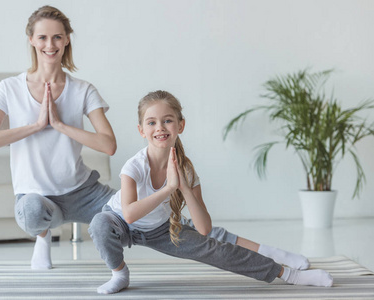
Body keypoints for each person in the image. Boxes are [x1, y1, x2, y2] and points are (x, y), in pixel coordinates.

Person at [88, 90, 334, 294]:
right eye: (151, 122)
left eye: (167, 120)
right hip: (120, 221)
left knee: (218, 249)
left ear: (180, 125)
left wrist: (183, 185)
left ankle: (288, 274)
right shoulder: (133, 166)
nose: (160, 127)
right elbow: (129, 215)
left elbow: (205, 229)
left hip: (160, 230)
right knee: (99, 223)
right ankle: (119, 274)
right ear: (142, 130)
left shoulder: (186, 170)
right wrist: (169, 189)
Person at [0, 5, 117, 270]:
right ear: (31, 39)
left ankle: (206, 238)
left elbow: (108, 145)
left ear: (66, 39)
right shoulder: (9, 88)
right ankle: (43, 235)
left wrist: (60, 125)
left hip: (82, 192)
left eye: (57, 37)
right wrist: (37, 125)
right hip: (36, 197)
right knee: (31, 212)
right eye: (42, 37)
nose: (50, 44)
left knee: (136, 213)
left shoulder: (83, 90)